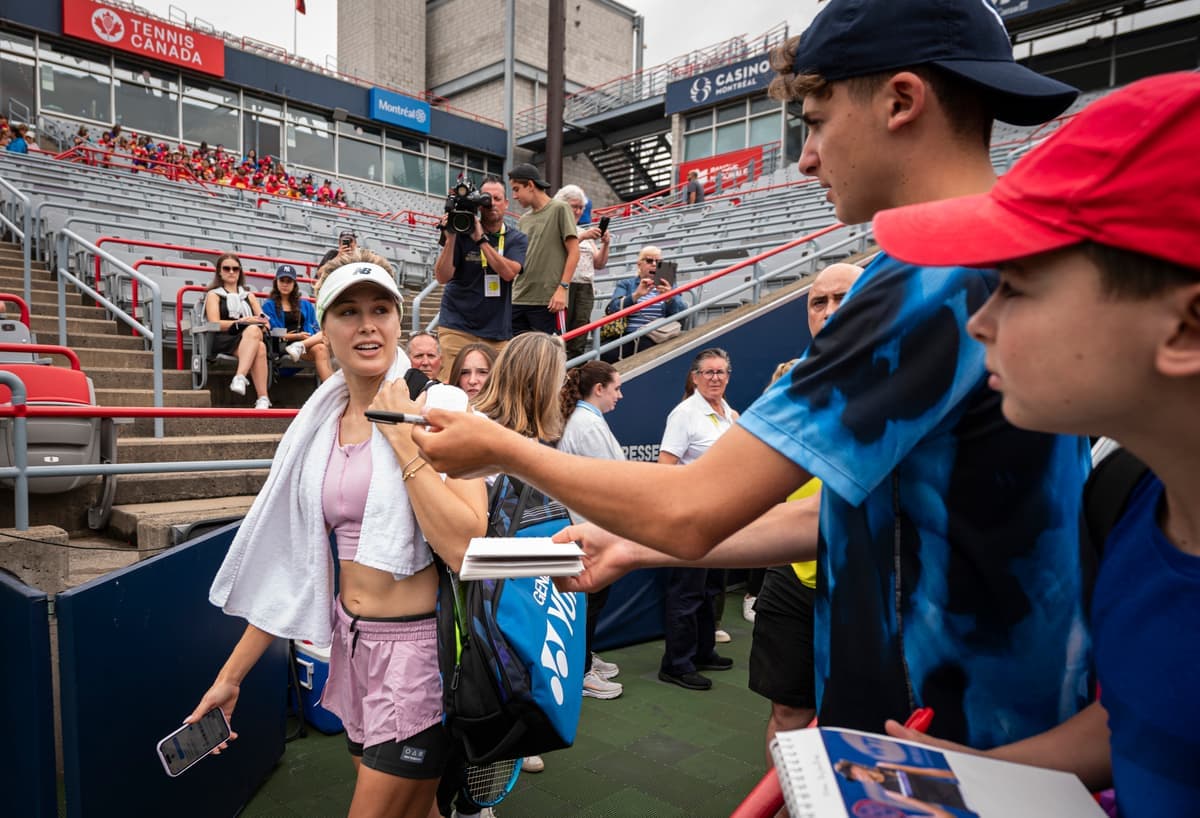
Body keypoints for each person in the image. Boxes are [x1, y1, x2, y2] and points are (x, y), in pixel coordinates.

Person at [411, 0, 1092, 750]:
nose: (805, 157)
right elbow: (837, 519)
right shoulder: (1002, 261)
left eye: (817, 121)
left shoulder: (924, 279)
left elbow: (691, 508)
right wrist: (638, 548)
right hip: (997, 720)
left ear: (902, 101)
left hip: (947, 740)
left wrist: (499, 446)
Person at [873, 72, 1200, 818]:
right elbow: (1138, 725)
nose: (981, 322)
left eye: (1014, 285)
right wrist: (972, 774)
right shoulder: (1126, 498)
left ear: (1186, 326)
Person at [189, 250, 487, 818]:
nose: (367, 324)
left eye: (381, 308)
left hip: (418, 656)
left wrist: (402, 437)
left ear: (400, 321)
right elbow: (294, 570)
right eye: (348, 311)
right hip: (348, 647)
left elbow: (465, 545)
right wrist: (231, 679)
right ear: (322, 328)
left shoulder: (441, 405)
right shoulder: (319, 423)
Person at [750, 261, 864, 774]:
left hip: (868, 586)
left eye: (844, 298)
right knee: (789, 711)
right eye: (818, 302)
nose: (830, 312)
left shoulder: (903, 383)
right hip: (793, 578)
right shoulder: (789, 393)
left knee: (860, 723)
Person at [471, 330, 569, 776]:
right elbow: (471, 535)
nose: (562, 389)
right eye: (559, 379)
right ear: (539, 381)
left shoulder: (534, 440)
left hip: (509, 593)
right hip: (474, 600)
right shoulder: (480, 434)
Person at [656, 349, 737, 689]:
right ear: (695, 377)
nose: (715, 378)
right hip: (692, 519)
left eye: (721, 372)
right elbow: (664, 469)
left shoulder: (729, 413)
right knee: (687, 594)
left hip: (720, 517)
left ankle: (704, 651)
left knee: (711, 589)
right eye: (708, 372)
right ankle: (676, 664)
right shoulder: (684, 414)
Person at [556, 361, 626, 701]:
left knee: (593, 603)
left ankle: (584, 659)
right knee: (590, 603)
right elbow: (611, 482)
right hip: (589, 530)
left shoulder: (587, 421)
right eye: (616, 388)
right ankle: (581, 672)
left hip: (591, 527)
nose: (620, 395)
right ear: (599, 389)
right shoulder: (586, 425)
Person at [433, 176, 527, 380]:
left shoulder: (516, 239)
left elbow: (508, 273)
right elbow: (442, 276)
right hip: (457, 325)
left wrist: (481, 240)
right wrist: (450, 240)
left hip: (496, 331)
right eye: (486, 198)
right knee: (451, 388)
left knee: (494, 391)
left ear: (506, 203)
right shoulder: (460, 232)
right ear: (478, 204)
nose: (492, 203)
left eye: (497, 198)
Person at [507, 163, 579, 336]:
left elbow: (574, 252)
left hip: (549, 300)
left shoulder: (560, 208)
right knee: (517, 355)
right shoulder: (523, 220)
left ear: (530, 185)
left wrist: (562, 289)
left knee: (550, 356)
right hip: (518, 297)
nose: (514, 196)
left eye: (516, 189)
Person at [203, 252, 273, 409]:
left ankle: (243, 380)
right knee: (254, 332)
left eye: (235, 269)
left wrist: (258, 321)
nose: (231, 272)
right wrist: (242, 322)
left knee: (259, 343)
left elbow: (265, 321)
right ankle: (261, 396)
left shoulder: (249, 296)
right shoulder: (214, 295)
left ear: (240, 272)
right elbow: (215, 322)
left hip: (248, 340)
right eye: (226, 268)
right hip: (224, 338)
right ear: (219, 272)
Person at [554, 185, 611, 359]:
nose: (578, 211)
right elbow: (557, 251)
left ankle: (574, 376)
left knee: (579, 335)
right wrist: (584, 236)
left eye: (581, 208)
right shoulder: (556, 228)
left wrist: (606, 244)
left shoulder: (583, 231)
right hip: (565, 286)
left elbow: (599, 264)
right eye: (574, 206)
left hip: (585, 288)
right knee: (560, 337)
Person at [602, 245, 686, 362]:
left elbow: (681, 313)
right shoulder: (626, 284)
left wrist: (669, 297)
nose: (654, 264)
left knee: (645, 345)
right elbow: (613, 308)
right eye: (649, 260)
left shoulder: (669, 285)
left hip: (657, 335)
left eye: (658, 261)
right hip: (628, 334)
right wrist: (636, 295)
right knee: (605, 353)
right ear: (639, 264)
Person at [261, 264, 333, 382]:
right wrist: (297, 336)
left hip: (306, 344)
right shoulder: (269, 305)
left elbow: (315, 328)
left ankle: (331, 391)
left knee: (321, 346)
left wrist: (306, 338)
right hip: (283, 346)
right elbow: (271, 332)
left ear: (294, 284)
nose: (285, 284)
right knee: (323, 342)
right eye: (282, 280)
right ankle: (299, 345)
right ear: (276, 282)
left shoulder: (305, 305)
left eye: (289, 281)